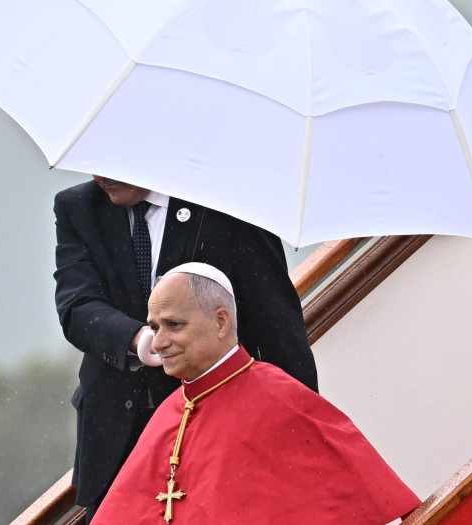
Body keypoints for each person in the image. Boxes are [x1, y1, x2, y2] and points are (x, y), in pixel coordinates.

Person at [54, 176, 319, 520]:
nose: (100, 177)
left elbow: (277, 332)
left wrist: (304, 440)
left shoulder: (226, 202)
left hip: (217, 435)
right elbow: (76, 307)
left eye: (109, 164)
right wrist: (142, 340)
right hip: (114, 443)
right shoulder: (78, 206)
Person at [92, 263, 420, 524]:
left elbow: (342, 507)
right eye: (155, 326)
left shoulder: (279, 398)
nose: (159, 342)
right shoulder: (168, 413)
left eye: (174, 325)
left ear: (221, 322)